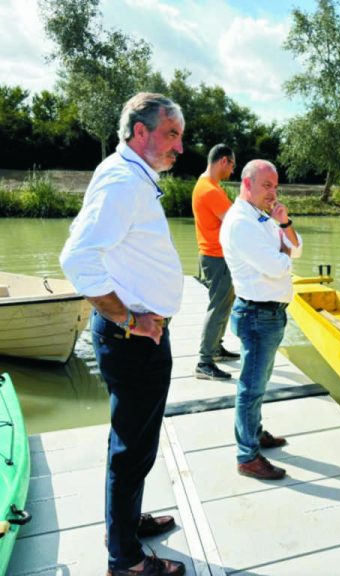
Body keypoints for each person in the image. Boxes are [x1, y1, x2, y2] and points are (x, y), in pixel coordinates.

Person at [60, 92, 187, 576]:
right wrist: (129, 319)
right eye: (171, 134)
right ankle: (126, 560)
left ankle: (127, 524)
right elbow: (76, 258)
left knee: (137, 443)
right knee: (132, 449)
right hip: (135, 340)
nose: (179, 147)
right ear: (141, 132)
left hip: (142, 338)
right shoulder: (121, 181)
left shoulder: (130, 175)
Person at [220, 159, 302, 480]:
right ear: (247, 184)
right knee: (250, 388)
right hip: (257, 315)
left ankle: (254, 432)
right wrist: (284, 253)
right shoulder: (241, 222)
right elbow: (279, 266)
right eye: (266, 185)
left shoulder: (263, 216)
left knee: (259, 382)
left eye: (275, 186)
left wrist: (284, 224)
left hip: (269, 313)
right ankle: (247, 456)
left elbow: (296, 250)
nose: (273, 192)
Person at [192, 143, 239, 381]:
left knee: (224, 304)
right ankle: (205, 361)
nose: (232, 170)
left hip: (216, 255)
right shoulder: (210, 190)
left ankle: (215, 349)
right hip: (216, 256)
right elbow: (234, 223)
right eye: (232, 164)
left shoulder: (208, 186)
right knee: (218, 306)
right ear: (223, 161)